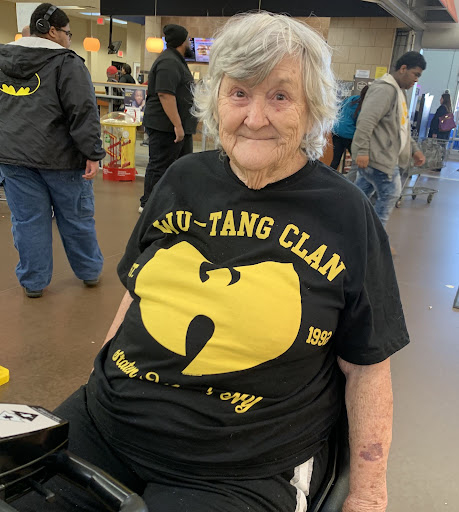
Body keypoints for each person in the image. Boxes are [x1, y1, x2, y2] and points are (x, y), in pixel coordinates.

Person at [14, 12, 409, 512]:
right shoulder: (183, 179)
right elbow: (138, 293)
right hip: (105, 422)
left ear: (312, 109)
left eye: (280, 96)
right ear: (216, 99)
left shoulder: (346, 213)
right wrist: (99, 383)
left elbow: (368, 364)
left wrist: (369, 493)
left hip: (240, 466)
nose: (255, 117)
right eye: (239, 93)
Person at [0, 3, 105, 298]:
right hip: (63, 160)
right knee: (76, 219)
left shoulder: (3, 58)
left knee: (28, 222)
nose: (69, 40)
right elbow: (83, 111)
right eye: (68, 33)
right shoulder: (67, 64)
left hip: (13, 159)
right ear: (52, 31)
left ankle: (33, 283)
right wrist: (92, 152)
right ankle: (89, 272)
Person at [352, 52, 427, 228]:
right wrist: (362, 150)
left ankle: (352, 231)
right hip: (379, 158)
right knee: (390, 194)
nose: (416, 79)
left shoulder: (399, 93)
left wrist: (414, 149)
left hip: (384, 157)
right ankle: (377, 240)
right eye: (415, 74)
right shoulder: (384, 89)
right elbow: (366, 121)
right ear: (403, 69)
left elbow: (402, 128)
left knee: (359, 198)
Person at [139, 23, 197, 213]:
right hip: (166, 127)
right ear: (182, 41)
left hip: (178, 127)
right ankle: (148, 204)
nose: (189, 43)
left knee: (182, 166)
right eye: (188, 40)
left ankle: (175, 202)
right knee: (160, 166)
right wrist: (177, 126)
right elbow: (165, 94)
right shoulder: (169, 62)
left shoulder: (176, 60)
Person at [330, 86, 368, 170]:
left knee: (335, 160)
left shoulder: (352, 99)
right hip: (349, 135)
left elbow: (339, 108)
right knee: (356, 161)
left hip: (336, 131)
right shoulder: (364, 106)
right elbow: (362, 125)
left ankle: (328, 177)